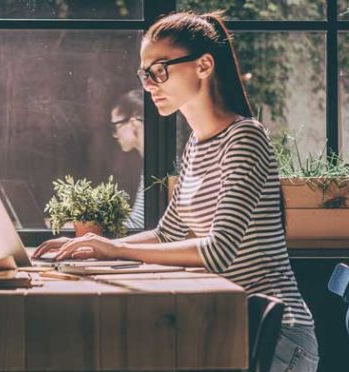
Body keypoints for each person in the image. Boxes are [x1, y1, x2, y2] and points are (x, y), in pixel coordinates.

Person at [33, 10, 318, 372]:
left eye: (159, 70)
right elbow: (167, 233)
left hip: (276, 334)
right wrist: (93, 248)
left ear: (203, 66)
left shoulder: (245, 138)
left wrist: (116, 248)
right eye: (144, 73)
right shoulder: (197, 147)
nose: (149, 84)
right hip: (230, 323)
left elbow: (218, 252)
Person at [110, 89, 145, 229]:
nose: (115, 135)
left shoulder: (155, 167)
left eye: (116, 126)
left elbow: (138, 225)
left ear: (133, 122)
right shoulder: (150, 164)